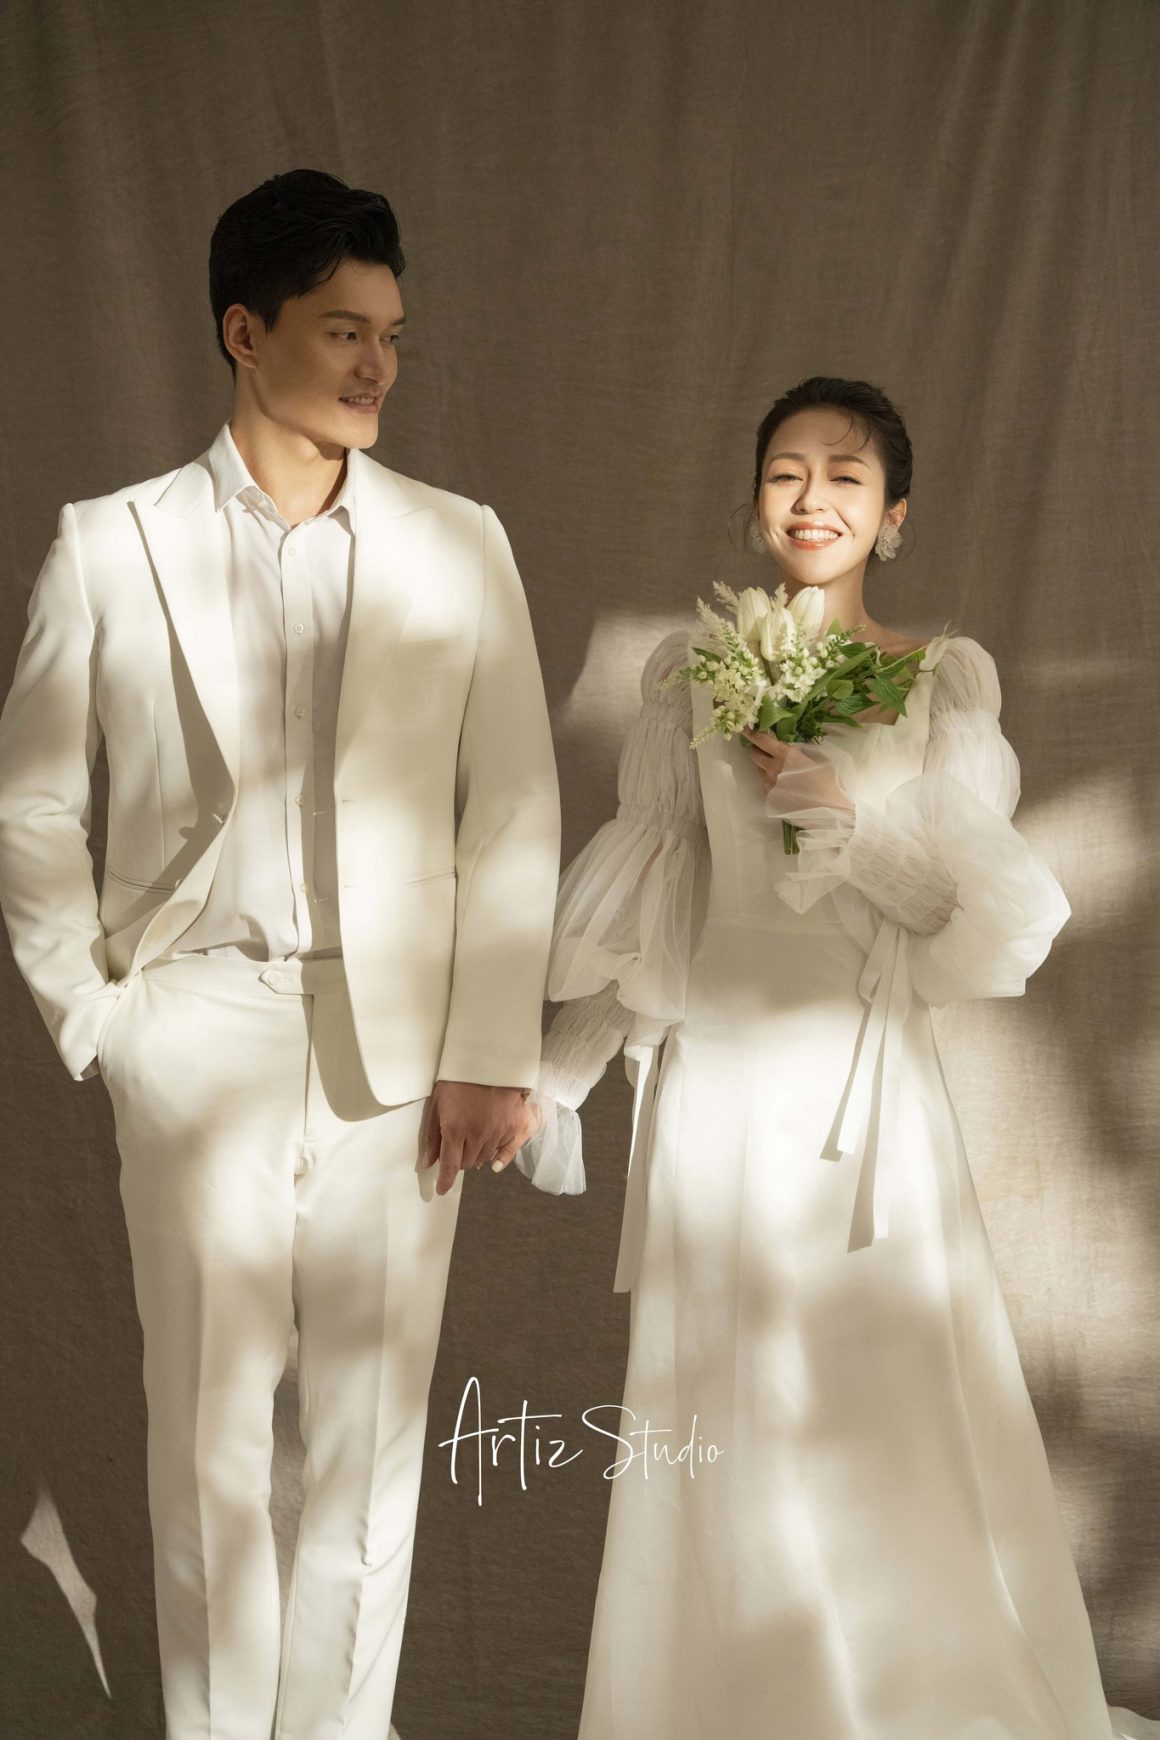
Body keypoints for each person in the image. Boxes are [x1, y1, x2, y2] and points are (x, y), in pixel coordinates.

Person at [0, 168, 560, 1740]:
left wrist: (488, 1050)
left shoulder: (461, 544)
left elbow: (515, 807)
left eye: (391, 334)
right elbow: (31, 802)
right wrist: (99, 1019)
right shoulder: (111, 543)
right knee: (208, 1452)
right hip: (194, 1035)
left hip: (404, 1060)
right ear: (246, 333)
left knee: (371, 1458)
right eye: (342, 330)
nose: (378, 364)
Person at [515, 378, 1157, 1738]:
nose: (813, 498)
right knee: (724, 1406)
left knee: (878, 1411)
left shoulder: (941, 681)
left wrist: (849, 826)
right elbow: (653, 908)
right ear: (755, 502)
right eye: (787, 473)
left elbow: (989, 923)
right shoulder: (687, 677)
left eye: (847, 476)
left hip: (866, 1104)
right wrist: (558, 1078)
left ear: (895, 515)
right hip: (719, 1094)